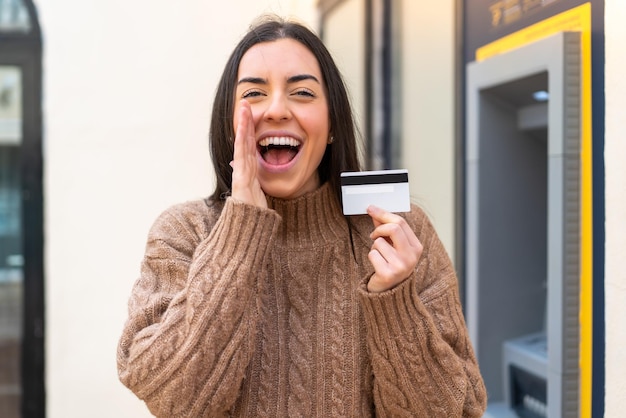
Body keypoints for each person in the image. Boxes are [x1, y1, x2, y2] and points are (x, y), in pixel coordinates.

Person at [117, 15, 487, 418]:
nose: (276, 110)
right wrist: (239, 234)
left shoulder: (396, 231)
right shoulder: (183, 233)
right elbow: (172, 399)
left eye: (303, 93)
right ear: (228, 125)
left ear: (331, 126)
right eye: (254, 93)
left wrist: (395, 303)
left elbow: (460, 410)